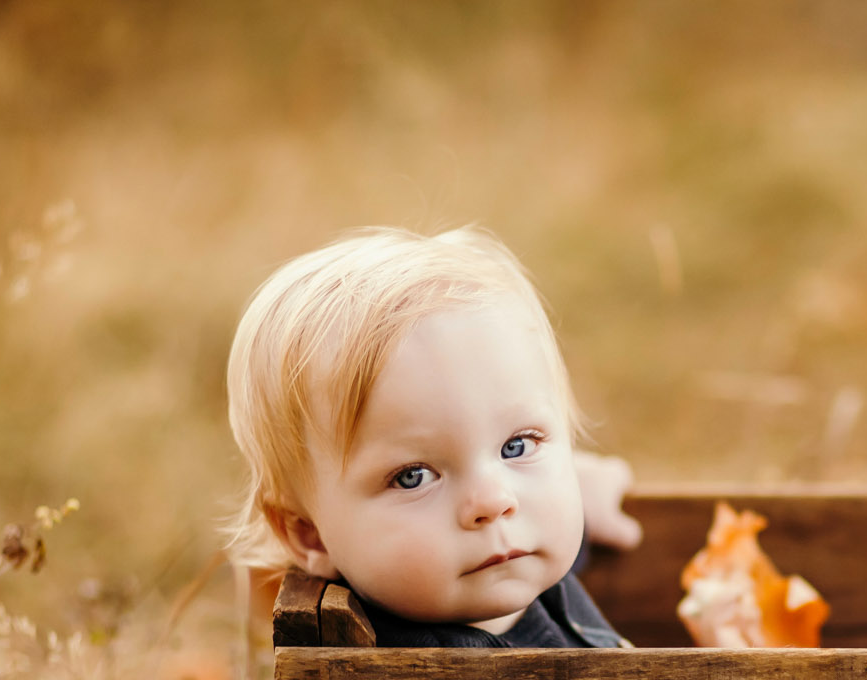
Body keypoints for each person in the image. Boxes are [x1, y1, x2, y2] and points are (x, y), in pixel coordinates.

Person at [222, 226, 639, 647]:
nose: (494, 501)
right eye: (413, 477)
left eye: (517, 446)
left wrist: (583, 485)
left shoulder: (520, 545)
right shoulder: (405, 678)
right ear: (309, 533)